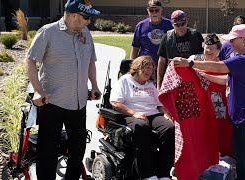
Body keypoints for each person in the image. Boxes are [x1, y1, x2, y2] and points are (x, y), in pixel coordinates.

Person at [174, 24, 245, 180]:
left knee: (241, 153)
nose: (230, 44)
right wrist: (202, 74)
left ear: (243, 40)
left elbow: (218, 67)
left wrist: (190, 64)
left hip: (244, 113)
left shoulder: (242, 60)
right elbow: (226, 80)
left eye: (233, 40)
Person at [25, 0, 101, 179]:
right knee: (48, 153)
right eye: (86, 17)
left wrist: (95, 85)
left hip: (79, 105)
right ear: (74, 15)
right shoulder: (48, 32)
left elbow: (91, 61)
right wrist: (37, 90)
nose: (88, 22)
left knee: (77, 150)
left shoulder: (86, 33)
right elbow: (30, 61)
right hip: (52, 104)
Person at [110, 56, 174, 180]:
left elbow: (159, 105)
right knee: (142, 127)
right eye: (146, 67)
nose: (149, 71)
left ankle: (164, 174)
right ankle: (147, 175)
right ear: (137, 67)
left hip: (152, 114)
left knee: (170, 127)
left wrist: (165, 113)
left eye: (151, 68)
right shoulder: (125, 80)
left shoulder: (150, 84)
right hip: (131, 115)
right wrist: (134, 113)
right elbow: (115, 103)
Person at [189, 33, 233, 157]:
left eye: (213, 48)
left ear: (219, 50)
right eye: (207, 47)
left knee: (221, 131)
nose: (209, 50)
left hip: (220, 106)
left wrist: (205, 76)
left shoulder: (224, 65)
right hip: (201, 105)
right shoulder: (195, 63)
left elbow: (228, 79)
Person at [157, 9, 204, 89]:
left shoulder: (196, 35)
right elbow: (161, 62)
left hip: (193, 77)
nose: (180, 27)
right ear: (172, 24)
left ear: (187, 22)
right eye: (177, 25)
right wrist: (159, 85)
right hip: (173, 79)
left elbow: (204, 57)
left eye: (183, 24)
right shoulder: (167, 38)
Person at [130, 0, 173, 67]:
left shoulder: (170, 25)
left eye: (157, 10)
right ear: (147, 11)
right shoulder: (140, 26)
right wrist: (132, 65)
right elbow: (135, 48)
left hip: (164, 65)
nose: (154, 12)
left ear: (161, 10)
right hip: (145, 66)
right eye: (151, 10)